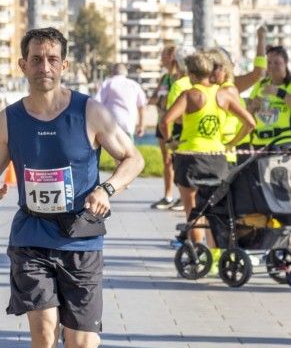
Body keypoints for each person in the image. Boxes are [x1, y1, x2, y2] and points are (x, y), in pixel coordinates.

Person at [0, 27, 145, 348]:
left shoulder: (91, 111)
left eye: (52, 59)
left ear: (63, 65)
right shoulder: (9, 118)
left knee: (77, 342)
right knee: (43, 331)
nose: (43, 66)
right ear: (22, 65)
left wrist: (107, 189)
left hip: (80, 239)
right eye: (36, 58)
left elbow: (133, 158)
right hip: (31, 236)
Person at [161, 50, 254, 252]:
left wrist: (170, 143)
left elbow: (166, 121)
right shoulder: (224, 94)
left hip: (190, 157)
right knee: (216, 209)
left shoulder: (189, 95)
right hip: (217, 158)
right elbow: (250, 122)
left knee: (193, 210)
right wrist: (232, 143)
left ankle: (199, 253)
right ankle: (216, 251)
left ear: (192, 74)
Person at [151, 44, 186, 210]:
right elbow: (153, 99)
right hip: (162, 122)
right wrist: (160, 102)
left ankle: (182, 196)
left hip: (176, 124)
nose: (161, 58)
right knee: (167, 161)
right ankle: (168, 196)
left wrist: (165, 103)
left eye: (164, 55)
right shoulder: (165, 78)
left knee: (178, 160)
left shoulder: (180, 80)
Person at [241, 29, 290, 146]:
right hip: (260, 143)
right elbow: (247, 111)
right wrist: (253, 106)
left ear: (286, 62)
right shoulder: (261, 84)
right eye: (269, 63)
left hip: (284, 143)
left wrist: (279, 93)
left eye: (277, 63)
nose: (272, 66)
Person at [96, 63, 147, 141]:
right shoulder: (134, 85)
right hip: (128, 125)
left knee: (114, 152)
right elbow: (142, 106)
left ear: (113, 72)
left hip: (111, 125)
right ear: (125, 72)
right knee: (128, 151)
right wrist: (141, 125)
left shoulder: (108, 83)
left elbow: (97, 103)